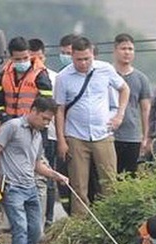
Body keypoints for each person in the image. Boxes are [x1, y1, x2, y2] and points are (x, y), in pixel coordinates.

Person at [0, 97, 68, 244]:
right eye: (45, 118)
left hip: (30, 188)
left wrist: (56, 176)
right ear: (35, 111)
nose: (46, 123)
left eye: (49, 120)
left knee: (36, 232)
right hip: (12, 187)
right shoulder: (12, 127)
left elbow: (37, 165)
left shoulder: (38, 135)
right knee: (20, 228)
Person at [54, 36, 129, 215]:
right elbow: (59, 110)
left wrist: (119, 115)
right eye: (79, 59)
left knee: (109, 180)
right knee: (79, 184)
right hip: (75, 135)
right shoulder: (63, 77)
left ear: (92, 55)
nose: (83, 63)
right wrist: (61, 140)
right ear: (72, 57)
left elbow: (124, 89)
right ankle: (80, 223)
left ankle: (111, 218)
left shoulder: (105, 69)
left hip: (102, 133)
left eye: (87, 59)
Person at [29, 38, 59, 228]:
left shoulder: (53, 77)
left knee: (45, 176)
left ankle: (47, 219)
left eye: (39, 57)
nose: (36, 62)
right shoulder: (17, 76)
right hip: (25, 131)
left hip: (49, 133)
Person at [0, 36, 53, 124]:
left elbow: (47, 102)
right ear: (11, 58)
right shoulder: (4, 75)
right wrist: (3, 115)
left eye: (25, 58)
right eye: (18, 59)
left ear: (30, 54)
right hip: (8, 123)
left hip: (33, 125)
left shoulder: (40, 74)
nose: (22, 62)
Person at [112, 33, 152, 175]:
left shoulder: (141, 79)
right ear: (115, 50)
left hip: (132, 136)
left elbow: (146, 110)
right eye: (123, 48)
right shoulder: (106, 74)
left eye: (130, 49)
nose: (127, 52)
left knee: (130, 177)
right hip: (109, 135)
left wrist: (146, 137)